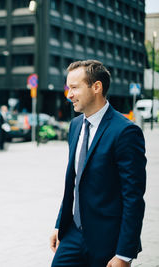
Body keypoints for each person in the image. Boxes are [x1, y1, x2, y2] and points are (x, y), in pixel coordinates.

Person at [50, 60, 146, 267]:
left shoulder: (126, 132)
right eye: (69, 88)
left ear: (96, 87)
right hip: (73, 235)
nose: (69, 94)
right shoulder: (75, 126)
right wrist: (60, 224)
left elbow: (133, 198)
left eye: (74, 87)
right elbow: (74, 183)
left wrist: (124, 254)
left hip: (108, 241)